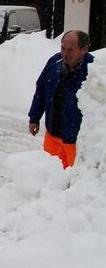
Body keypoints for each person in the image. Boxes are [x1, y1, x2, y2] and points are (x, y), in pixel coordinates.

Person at [28, 30, 94, 168]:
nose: (65, 54)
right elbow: (41, 89)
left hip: (75, 141)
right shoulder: (54, 62)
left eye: (70, 50)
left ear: (85, 49)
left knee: (73, 180)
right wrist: (34, 117)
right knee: (51, 175)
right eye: (63, 48)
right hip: (52, 135)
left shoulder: (93, 71)